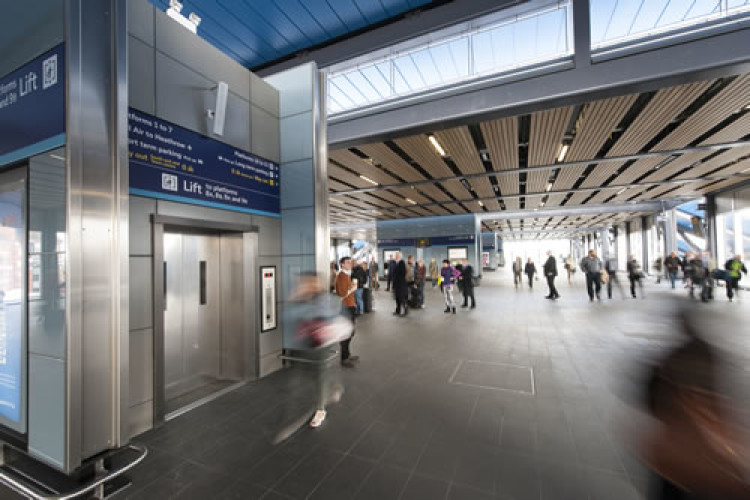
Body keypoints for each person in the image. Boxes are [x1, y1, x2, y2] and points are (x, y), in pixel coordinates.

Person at [287, 273, 349, 429]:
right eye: (304, 283)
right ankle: (333, 387)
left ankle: (320, 410)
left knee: (320, 375)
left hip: (322, 343)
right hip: (305, 342)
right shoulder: (299, 301)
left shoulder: (327, 300)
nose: (307, 286)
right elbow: (289, 317)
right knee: (309, 372)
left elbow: (332, 315)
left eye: (310, 283)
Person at [334, 257, 359, 367]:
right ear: (342, 264)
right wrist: (353, 288)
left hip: (350, 306)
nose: (350, 264)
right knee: (347, 333)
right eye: (347, 262)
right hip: (345, 308)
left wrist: (354, 303)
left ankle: (347, 354)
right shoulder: (341, 276)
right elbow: (343, 293)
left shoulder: (347, 275)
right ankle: (344, 358)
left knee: (350, 332)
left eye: (350, 262)